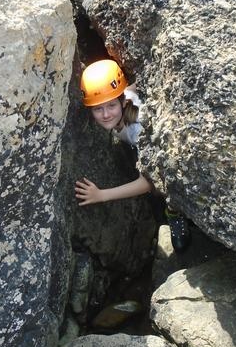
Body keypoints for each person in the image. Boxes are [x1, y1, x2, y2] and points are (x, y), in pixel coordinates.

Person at [74, 59, 191, 252]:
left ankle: (174, 211)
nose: (105, 115)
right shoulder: (125, 97)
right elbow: (132, 87)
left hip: (175, 156)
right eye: (98, 108)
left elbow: (149, 183)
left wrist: (102, 195)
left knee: (166, 180)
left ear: (122, 102)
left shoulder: (137, 129)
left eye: (111, 106)